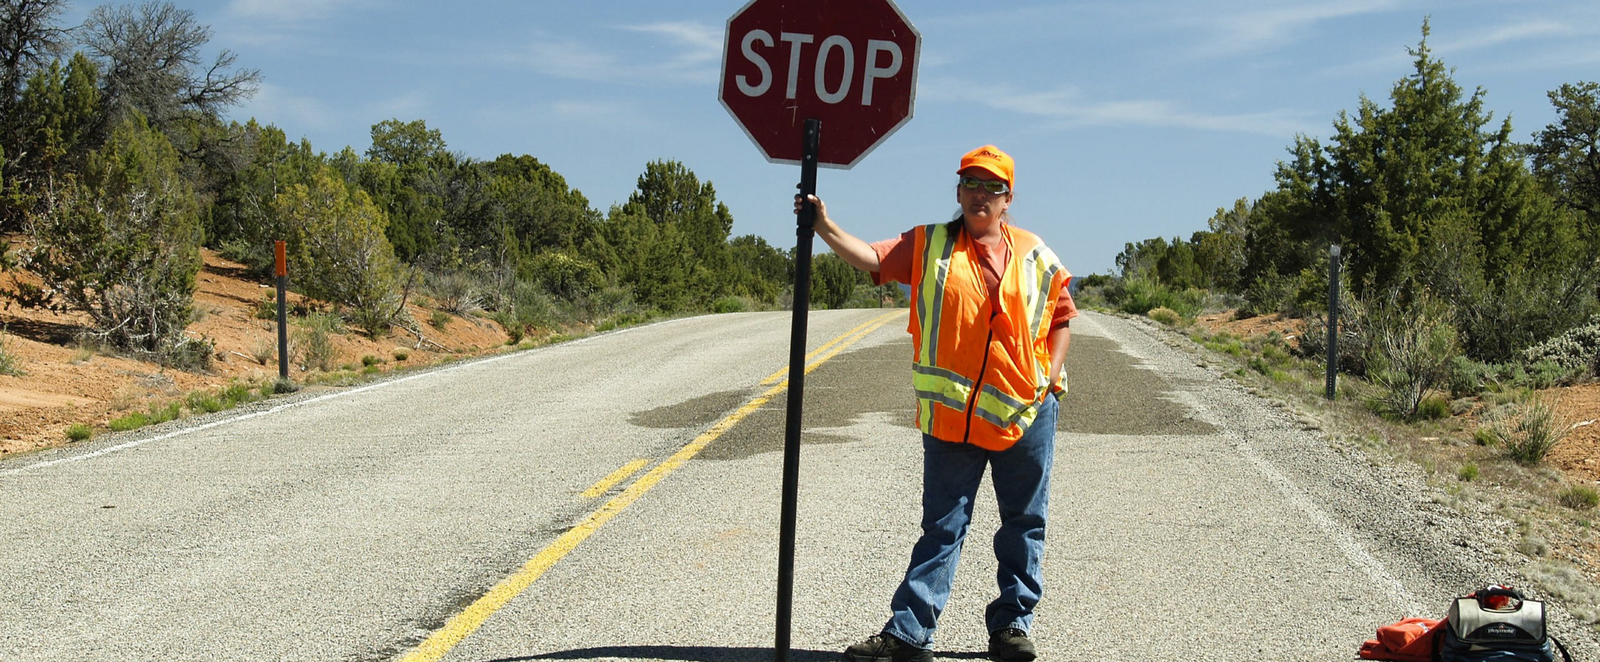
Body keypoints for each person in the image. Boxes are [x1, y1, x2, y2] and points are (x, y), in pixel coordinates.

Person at [795, 145, 1076, 662]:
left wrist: (1048, 378)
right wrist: (823, 227)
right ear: (958, 191)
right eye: (971, 183)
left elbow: (1061, 317)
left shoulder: (1035, 252)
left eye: (992, 187)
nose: (980, 194)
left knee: (1023, 522)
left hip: (1026, 413)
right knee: (943, 527)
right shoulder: (930, 245)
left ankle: (1013, 627)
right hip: (952, 418)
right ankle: (909, 635)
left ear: (1008, 198)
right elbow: (874, 258)